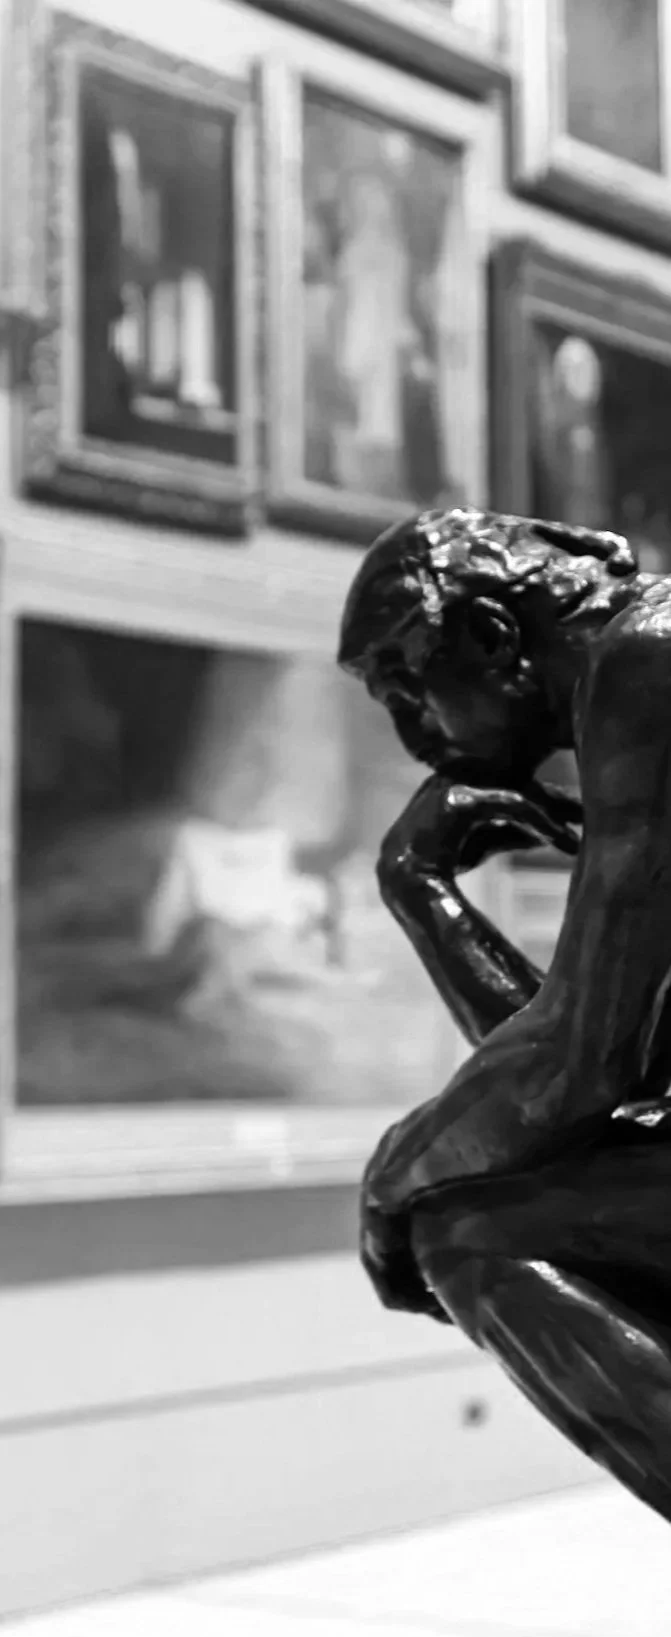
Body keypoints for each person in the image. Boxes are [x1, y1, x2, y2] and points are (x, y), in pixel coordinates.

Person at [337, 505, 671, 1520]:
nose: (412, 738)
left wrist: (395, 1173)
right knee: (490, 1205)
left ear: (490, 638)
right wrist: (421, 887)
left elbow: (579, 1065)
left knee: (467, 1229)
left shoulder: (646, 663)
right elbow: (592, 1088)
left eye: (406, 688)